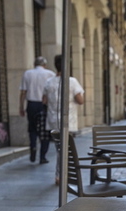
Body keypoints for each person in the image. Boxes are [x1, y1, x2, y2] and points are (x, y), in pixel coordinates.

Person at [43, 55, 85, 184]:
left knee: (60, 149)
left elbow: (44, 101)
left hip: (53, 120)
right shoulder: (72, 81)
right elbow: (80, 100)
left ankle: (60, 175)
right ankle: (61, 175)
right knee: (65, 150)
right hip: (68, 121)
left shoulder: (49, 82)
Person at [19, 56, 55, 163]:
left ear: (34, 64)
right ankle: (42, 156)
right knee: (45, 131)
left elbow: (23, 92)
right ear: (45, 65)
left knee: (32, 128)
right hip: (44, 105)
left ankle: (33, 146)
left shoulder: (27, 73)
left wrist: (21, 106)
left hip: (31, 104)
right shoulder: (50, 74)